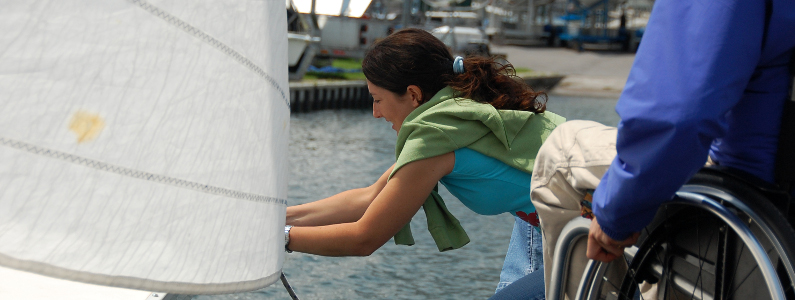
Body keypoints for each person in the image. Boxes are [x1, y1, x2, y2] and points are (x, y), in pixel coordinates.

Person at [498, 0, 795, 299]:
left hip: (755, 191)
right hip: (776, 194)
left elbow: (676, 118)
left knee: (560, 156)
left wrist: (615, 215)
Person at [284, 28, 565, 294]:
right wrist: (277, 218)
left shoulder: (434, 133)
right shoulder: (456, 108)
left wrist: (281, 238)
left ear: (414, 95)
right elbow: (370, 197)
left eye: (377, 99)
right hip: (547, 217)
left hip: (590, 221)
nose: (375, 113)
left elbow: (364, 237)